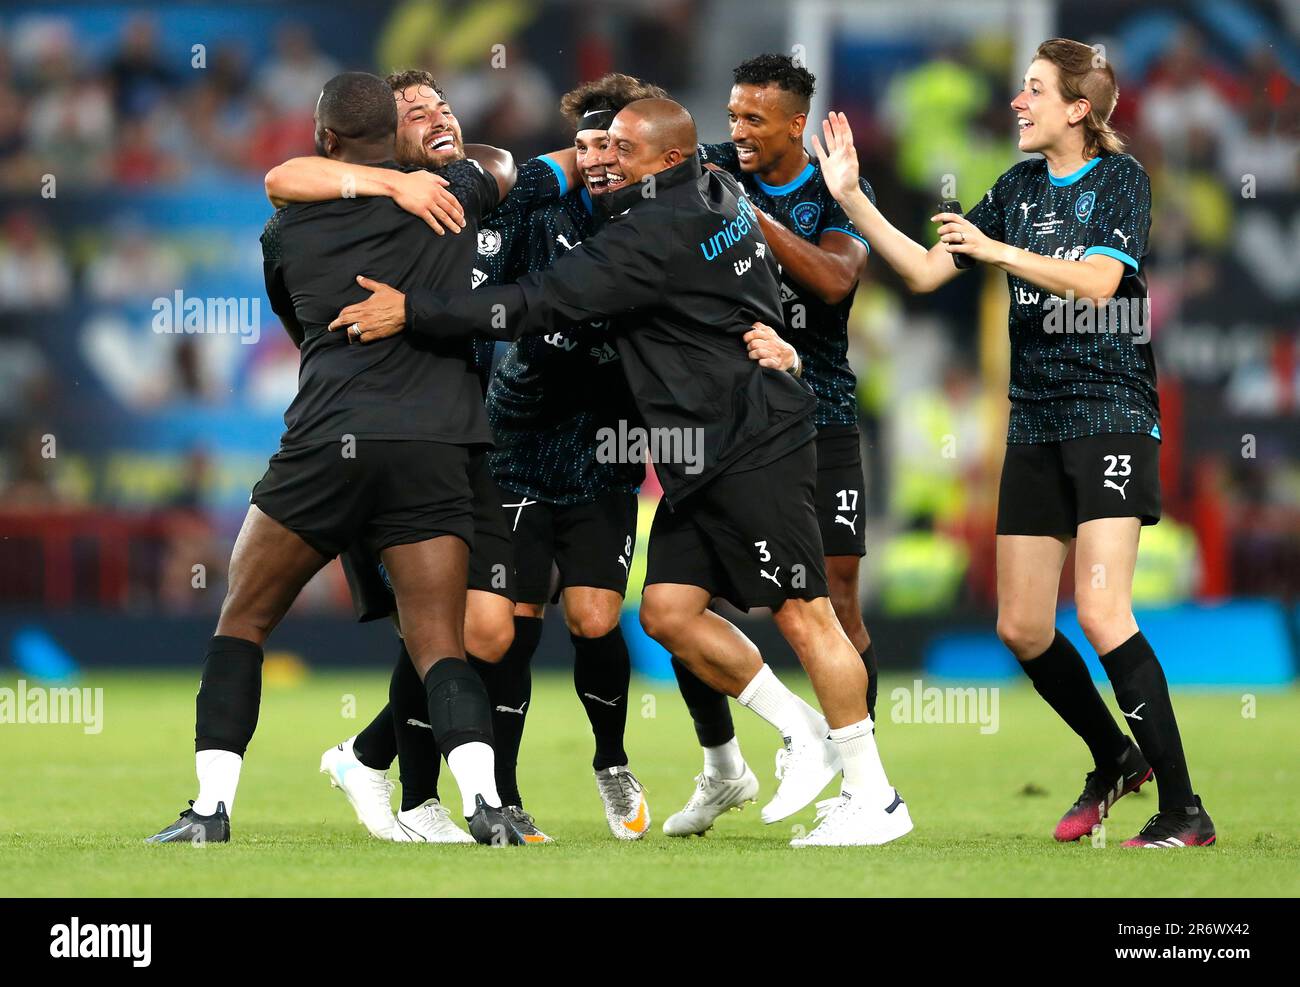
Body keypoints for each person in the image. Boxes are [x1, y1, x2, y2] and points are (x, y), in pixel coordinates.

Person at [332, 97, 911, 847]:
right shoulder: (715, 184)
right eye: (593, 146)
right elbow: (749, 273)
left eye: (621, 148)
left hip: (749, 443)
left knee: (806, 613)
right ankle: (804, 733)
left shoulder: (648, 235)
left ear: (666, 161)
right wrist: (770, 337)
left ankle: (875, 796)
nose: (600, 161)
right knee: (669, 612)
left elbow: (533, 303)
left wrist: (412, 310)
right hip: (695, 454)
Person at [812, 39, 1213, 848]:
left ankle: (1184, 810)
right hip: (1034, 419)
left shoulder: (1121, 181)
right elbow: (927, 273)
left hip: (1109, 416)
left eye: (1033, 91)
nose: (1016, 103)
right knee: (1022, 628)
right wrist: (852, 200)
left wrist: (995, 251)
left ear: (1078, 108)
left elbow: (1101, 285)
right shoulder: (1020, 186)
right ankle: (1114, 755)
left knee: (1102, 612)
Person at [146, 71, 524, 846]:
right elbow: (502, 164)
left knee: (243, 621)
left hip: (325, 439)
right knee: (440, 641)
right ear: (397, 135)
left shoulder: (286, 231)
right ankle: (485, 806)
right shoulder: (453, 195)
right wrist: (411, 180)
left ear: (326, 140)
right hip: (431, 444)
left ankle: (210, 810)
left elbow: (301, 319)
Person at [263, 70, 577, 845]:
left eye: (443, 103)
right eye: (414, 111)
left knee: (485, 631)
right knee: (438, 627)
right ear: (384, 142)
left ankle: (364, 756)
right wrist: (391, 189)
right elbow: (279, 179)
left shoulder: (480, 187)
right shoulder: (359, 213)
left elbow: (544, 163)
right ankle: (420, 795)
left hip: (467, 437)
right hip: (389, 437)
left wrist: (646, 149)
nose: (437, 115)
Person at [664, 52, 883, 837]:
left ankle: (863, 776)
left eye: (755, 119)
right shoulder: (714, 165)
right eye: (732, 115)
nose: (738, 132)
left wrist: (748, 218)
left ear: (797, 124)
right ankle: (726, 759)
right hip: (731, 420)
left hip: (820, 412)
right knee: (690, 600)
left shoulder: (833, 188)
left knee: (837, 597)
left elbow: (833, 281)